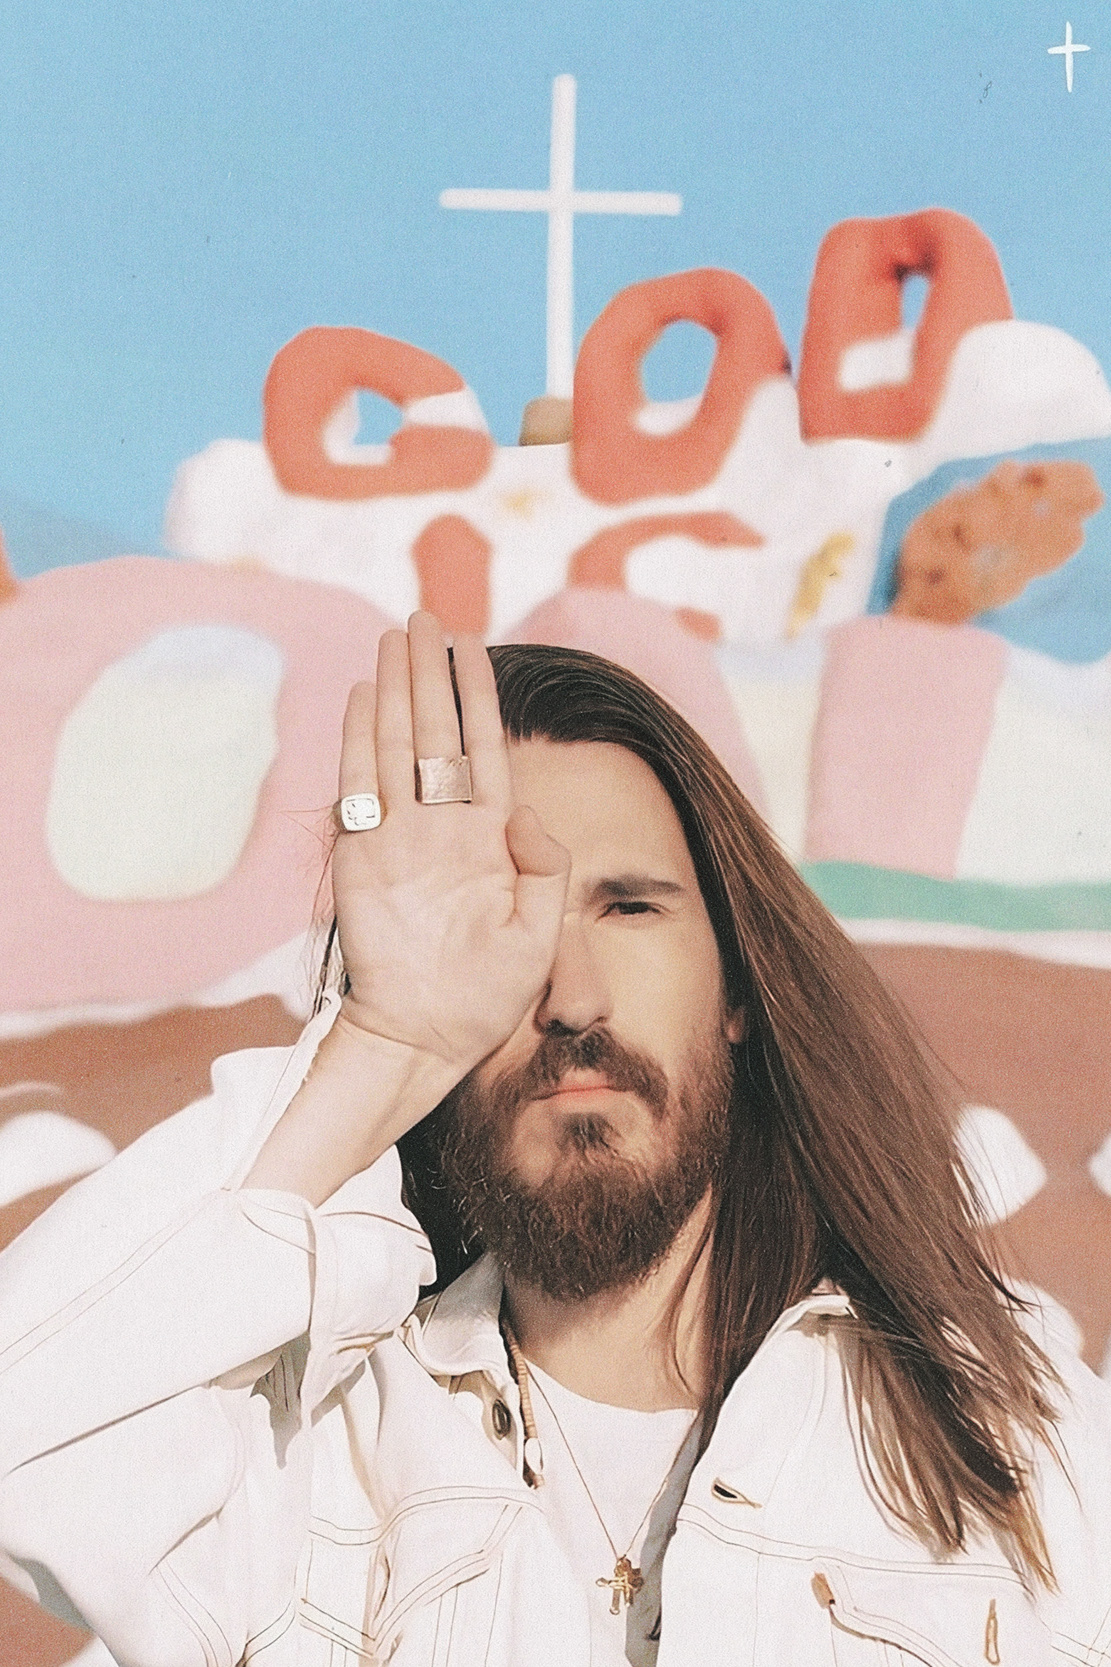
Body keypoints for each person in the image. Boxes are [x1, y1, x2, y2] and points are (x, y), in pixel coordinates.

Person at [1, 613, 1109, 1667]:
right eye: (500, 917)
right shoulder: (313, 1456)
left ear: (736, 984)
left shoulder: (1010, 1442)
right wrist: (389, 1039)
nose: (572, 997)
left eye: (628, 908)